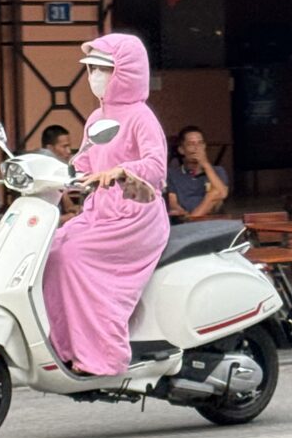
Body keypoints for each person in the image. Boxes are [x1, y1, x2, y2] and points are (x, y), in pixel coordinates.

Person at [42, 32, 170, 376]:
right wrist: (53, 176)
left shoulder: (142, 117)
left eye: (103, 69)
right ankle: (67, 348)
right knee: (50, 252)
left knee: (74, 255)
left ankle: (104, 356)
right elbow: (82, 164)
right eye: (91, 69)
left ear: (125, 72)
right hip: (99, 213)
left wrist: (120, 171)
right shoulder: (96, 119)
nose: (94, 76)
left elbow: (156, 169)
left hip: (135, 216)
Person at [166, 126, 229, 220]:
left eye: (200, 143)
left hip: (212, 221)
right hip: (184, 218)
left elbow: (222, 193)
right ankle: (192, 221)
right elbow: (173, 202)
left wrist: (205, 164)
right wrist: (181, 213)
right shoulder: (172, 173)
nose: (197, 148)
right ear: (181, 150)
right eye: (191, 144)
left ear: (204, 146)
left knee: (215, 193)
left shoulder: (217, 171)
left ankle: (192, 220)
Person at [40, 124, 80, 224]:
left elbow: (68, 206)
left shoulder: (58, 171)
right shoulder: (41, 175)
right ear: (49, 149)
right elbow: (42, 220)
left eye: (69, 146)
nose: (69, 151)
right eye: (64, 147)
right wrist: (72, 217)